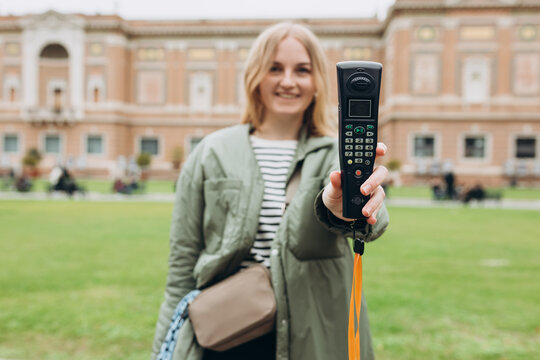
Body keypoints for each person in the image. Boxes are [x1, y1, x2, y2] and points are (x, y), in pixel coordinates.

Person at [151, 22, 389, 360]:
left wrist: (349, 204)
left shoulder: (334, 152)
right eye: (275, 68)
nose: (288, 81)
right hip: (227, 335)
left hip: (317, 335)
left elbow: (372, 220)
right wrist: (165, 350)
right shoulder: (211, 152)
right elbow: (181, 268)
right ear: (254, 76)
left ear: (318, 81)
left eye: (302, 70)